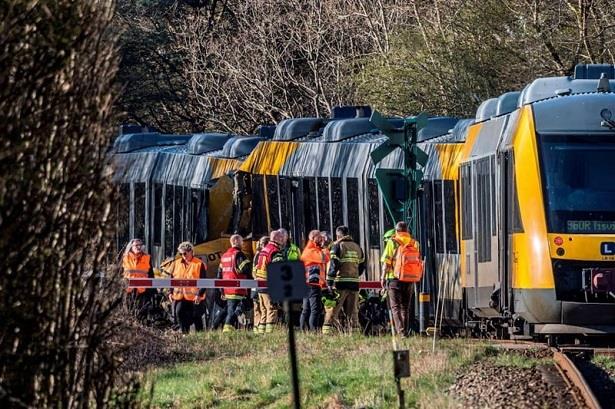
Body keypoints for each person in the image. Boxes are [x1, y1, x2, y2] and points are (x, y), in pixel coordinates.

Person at [380, 221, 422, 337]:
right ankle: (406, 331)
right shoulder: (414, 243)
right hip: (410, 279)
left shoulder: (392, 242)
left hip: (394, 278)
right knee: (405, 307)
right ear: (407, 231)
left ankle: (401, 332)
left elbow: (386, 262)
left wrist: (382, 277)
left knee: (395, 307)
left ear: (396, 231)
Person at [322, 226, 365, 334]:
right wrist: (354, 275)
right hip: (354, 284)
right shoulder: (357, 247)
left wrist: (329, 283)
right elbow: (361, 267)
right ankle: (354, 332)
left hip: (340, 283)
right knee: (353, 311)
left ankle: (328, 331)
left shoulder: (337, 246)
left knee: (333, 308)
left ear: (338, 235)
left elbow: (333, 266)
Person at [169, 241, 207, 333]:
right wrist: (170, 292)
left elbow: (204, 282)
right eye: (181, 253)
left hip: (195, 297)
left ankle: (200, 337)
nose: (183, 255)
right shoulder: (176, 263)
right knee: (179, 313)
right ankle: (184, 334)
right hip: (180, 296)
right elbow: (171, 280)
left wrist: (199, 294)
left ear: (191, 251)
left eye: (185, 253)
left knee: (196, 317)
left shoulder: (199, 264)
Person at [219, 234, 252, 333]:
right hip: (237, 288)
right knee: (236, 309)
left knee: (230, 309)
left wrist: (221, 290)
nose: (243, 243)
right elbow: (245, 269)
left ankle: (222, 327)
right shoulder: (239, 254)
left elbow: (219, 274)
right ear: (236, 241)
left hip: (227, 288)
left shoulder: (224, 255)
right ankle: (227, 329)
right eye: (242, 241)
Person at [254, 230, 285, 333]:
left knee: (263, 310)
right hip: (268, 284)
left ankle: (261, 331)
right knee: (272, 309)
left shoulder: (265, 249)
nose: (283, 240)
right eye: (281, 238)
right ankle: (270, 333)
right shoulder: (275, 251)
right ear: (276, 238)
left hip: (259, 284)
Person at [300, 230, 330, 331]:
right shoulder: (311, 251)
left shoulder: (312, 250)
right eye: (319, 237)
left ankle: (304, 330)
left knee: (306, 310)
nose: (321, 238)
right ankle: (313, 331)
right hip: (312, 285)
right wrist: (325, 247)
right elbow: (325, 258)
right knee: (315, 310)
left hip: (308, 284)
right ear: (313, 238)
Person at [122, 238, 154, 319]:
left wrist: (152, 289)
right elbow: (120, 273)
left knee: (142, 312)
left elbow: (151, 274)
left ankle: (141, 328)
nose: (139, 247)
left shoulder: (147, 258)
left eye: (140, 245)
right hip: (128, 289)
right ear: (131, 246)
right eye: (136, 245)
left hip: (142, 289)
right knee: (129, 311)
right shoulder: (125, 258)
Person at [251, 236, 270, 333]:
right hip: (260, 284)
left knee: (258, 308)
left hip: (256, 285)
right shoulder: (262, 254)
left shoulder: (257, 255)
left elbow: (254, 272)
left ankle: (257, 329)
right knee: (261, 308)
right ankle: (260, 328)